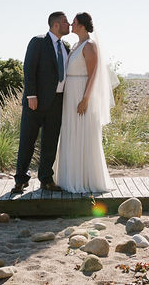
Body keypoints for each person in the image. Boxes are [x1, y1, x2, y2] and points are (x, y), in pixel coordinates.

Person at [54, 12, 118, 193]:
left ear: (81, 25)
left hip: (82, 93)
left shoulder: (89, 46)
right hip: (70, 93)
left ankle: (86, 179)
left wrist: (85, 99)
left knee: (83, 133)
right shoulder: (76, 45)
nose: (71, 25)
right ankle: (70, 178)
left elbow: (94, 75)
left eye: (73, 23)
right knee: (71, 132)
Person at [12, 11, 70, 194]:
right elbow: (29, 68)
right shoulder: (38, 41)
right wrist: (31, 96)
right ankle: (21, 180)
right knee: (27, 140)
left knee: (50, 142)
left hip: (57, 102)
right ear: (55, 25)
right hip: (35, 102)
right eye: (66, 22)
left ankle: (46, 179)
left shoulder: (66, 47)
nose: (69, 25)